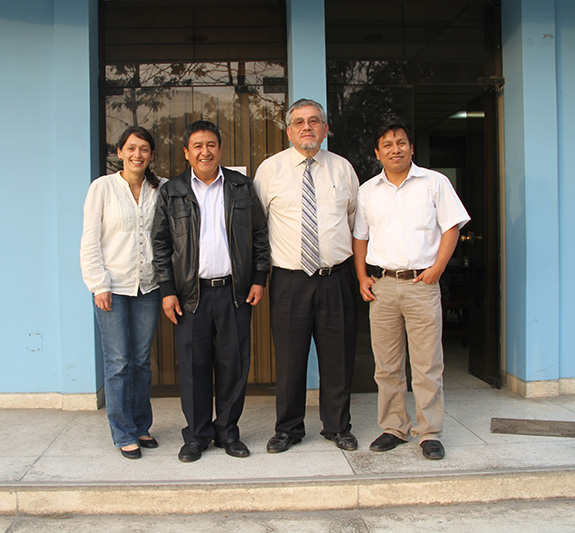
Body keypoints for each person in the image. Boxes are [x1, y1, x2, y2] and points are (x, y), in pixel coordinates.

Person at [151, 120, 270, 463]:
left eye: (211, 144)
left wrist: (260, 278)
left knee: (234, 366)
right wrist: (167, 290)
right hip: (191, 296)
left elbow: (260, 236)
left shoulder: (241, 186)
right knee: (193, 367)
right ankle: (197, 435)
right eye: (198, 146)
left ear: (220, 149)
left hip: (234, 292)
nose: (206, 151)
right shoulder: (172, 191)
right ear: (187, 152)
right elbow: (160, 244)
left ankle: (228, 432)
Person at [352, 122, 470, 460]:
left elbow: (451, 228)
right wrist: (362, 276)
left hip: (422, 285)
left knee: (426, 363)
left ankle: (429, 431)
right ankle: (394, 427)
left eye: (401, 143)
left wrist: (438, 269)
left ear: (411, 148)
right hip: (383, 286)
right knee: (387, 365)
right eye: (387, 144)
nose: (395, 149)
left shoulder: (435, 183)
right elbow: (360, 237)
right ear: (377, 153)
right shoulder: (367, 191)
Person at [254, 99, 360, 453]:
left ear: (325, 129)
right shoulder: (269, 170)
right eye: (299, 122)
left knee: (338, 357)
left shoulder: (343, 169)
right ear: (288, 131)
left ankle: (337, 426)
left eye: (315, 121)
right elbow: (259, 228)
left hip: (336, 278)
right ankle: (288, 429)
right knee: (289, 360)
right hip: (289, 281)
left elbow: (353, 223)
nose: (307, 128)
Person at [80, 126, 166, 460]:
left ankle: (141, 425)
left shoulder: (161, 189)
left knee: (142, 362)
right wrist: (97, 284)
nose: (137, 155)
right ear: (120, 152)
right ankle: (122, 432)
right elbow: (90, 240)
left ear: (151, 155)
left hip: (149, 286)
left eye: (144, 149)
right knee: (118, 362)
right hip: (112, 288)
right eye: (131, 148)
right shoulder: (101, 188)